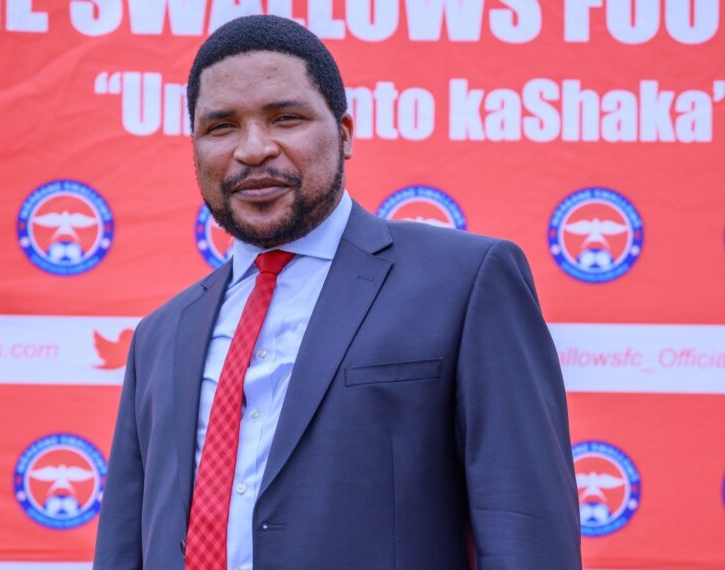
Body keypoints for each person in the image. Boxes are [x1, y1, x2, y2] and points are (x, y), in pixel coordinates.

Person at [93, 14, 581, 570]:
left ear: (344, 133)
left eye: (286, 118)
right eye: (221, 127)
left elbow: (527, 532)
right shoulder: (159, 336)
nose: (253, 149)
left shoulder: (466, 284)